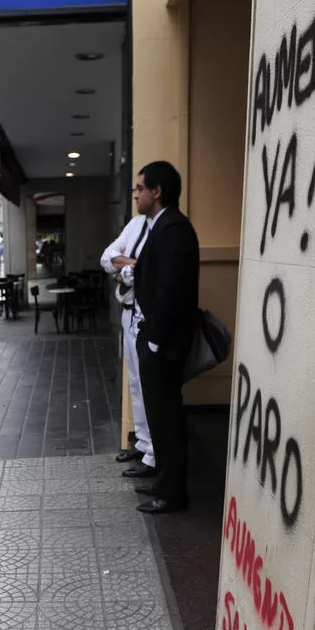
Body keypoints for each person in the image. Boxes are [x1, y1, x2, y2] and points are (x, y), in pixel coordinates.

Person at [131, 161, 199, 515]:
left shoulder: (173, 228)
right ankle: (163, 482)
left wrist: (155, 341)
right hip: (156, 338)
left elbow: (172, 290)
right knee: (159, 417)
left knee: (168, 419)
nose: (136, 194)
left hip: (164, 344)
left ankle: (173, 493)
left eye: (140, 188)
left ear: (157, 191)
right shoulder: (159, 226)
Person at [101, 214, 155, 477]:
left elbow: (145, 271)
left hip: (144, 314)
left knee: (147, 384)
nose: (137, 194)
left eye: (142, 188)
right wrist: (130, 267)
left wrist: (124, 269)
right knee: (134, 382)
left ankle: (153, 453)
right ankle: (143, 443)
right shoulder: (135, 224)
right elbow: (106, 258)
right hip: (127, 311)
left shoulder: (163, 228)